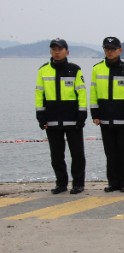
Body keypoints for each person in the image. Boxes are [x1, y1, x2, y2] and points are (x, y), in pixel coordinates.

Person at [35, 38, 87, 194]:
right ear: (51, 51)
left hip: (72, 119)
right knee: (57, 155)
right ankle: (61, 183)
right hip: (52, 119)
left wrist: (82, 114)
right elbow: (39, 94)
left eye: (60, 49)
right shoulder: (43, 70)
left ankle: (78, 183)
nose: (57, 52)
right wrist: (40, 116)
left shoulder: (75, 70)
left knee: (77, 154)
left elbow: (82, 93)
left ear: (67, 51)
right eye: (54, 49)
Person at [90, 37, 124, 193]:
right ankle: (113, 182)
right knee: (110, 153)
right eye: (107, 49)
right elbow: (94, 93)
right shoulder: (97, 69)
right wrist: (95, 114)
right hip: (105, 117)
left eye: (113, 49)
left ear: (119, 50)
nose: (110, 52)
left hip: (123, 118)